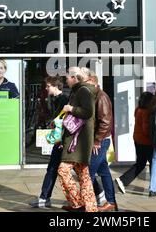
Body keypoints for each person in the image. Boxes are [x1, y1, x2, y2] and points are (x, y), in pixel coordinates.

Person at [57, 67, 98, 212]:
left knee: (63, 171)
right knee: (84, 175)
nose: (66, 80)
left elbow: (88, 112)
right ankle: (90, 208)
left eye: (67, 77)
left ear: (74, 77)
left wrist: (70, 109)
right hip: (79, 140)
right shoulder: (79, 91)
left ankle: (78, 204)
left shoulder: (83, 91)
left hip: (79, 142)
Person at [29, 76, 68, 208]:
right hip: (60, 140)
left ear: (55, 86)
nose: (46, 89)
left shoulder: (63, 100)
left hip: (62, 141)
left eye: (48, 86)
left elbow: (64, 121)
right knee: (53, 168)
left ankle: (44, 198)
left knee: (54, 168)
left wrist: (61, 139)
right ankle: (44, 198)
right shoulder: (56, 99)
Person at [83, 69, 118, 212]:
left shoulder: (101, 97)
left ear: (94, 83)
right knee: (104, 172)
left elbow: (105, 122)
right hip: (99, 140)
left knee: (88, 173)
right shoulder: (94, 96)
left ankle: (87, 204)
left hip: (100, 142)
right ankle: (111, 202)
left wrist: (97, 141)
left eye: (87, 84)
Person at [115, 91, 154, 195]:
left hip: (138, 140)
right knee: (153, 163)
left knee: (141, 163)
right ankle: (154, 187)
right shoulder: (146, 112)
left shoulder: (138, 110)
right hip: (146, 142)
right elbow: (146, 129)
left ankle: (123, 180)